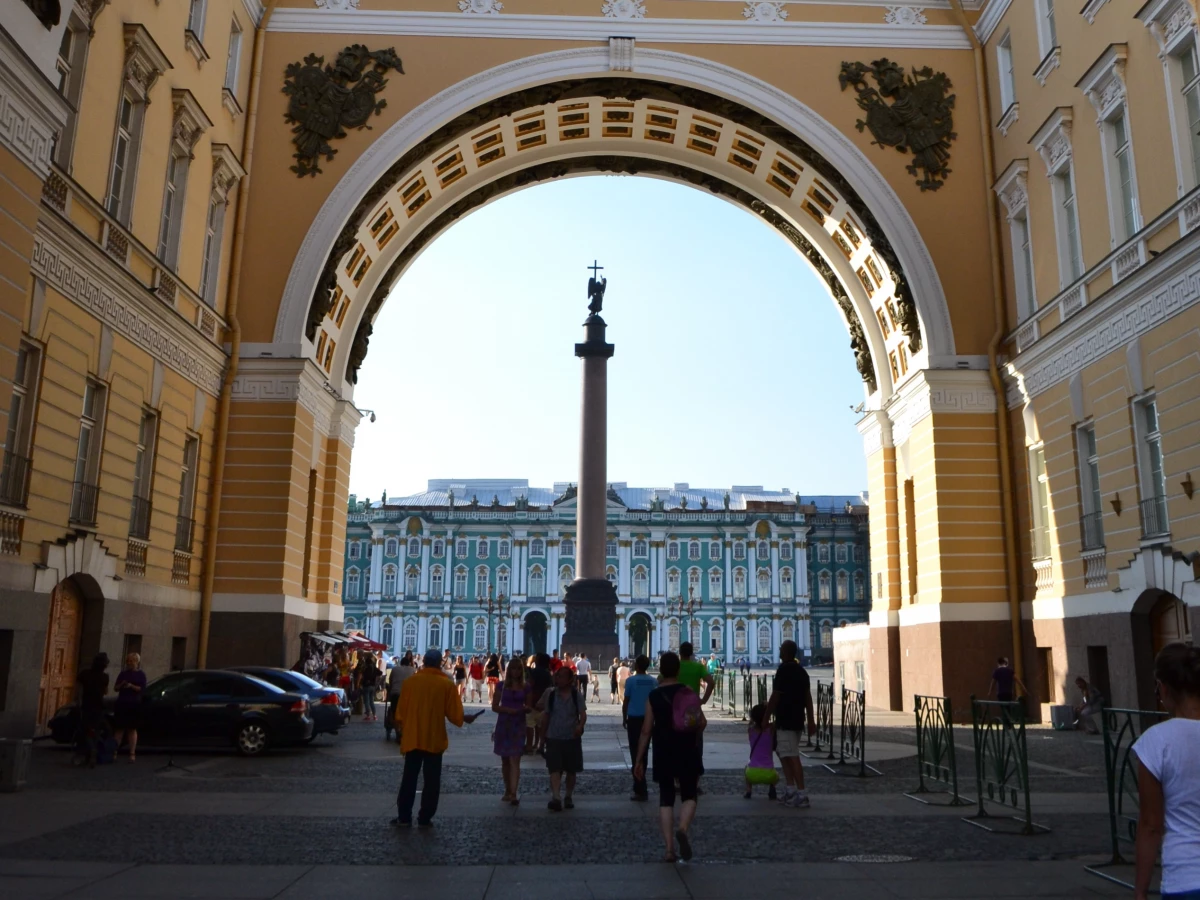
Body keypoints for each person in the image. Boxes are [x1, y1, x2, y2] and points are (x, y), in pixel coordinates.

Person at [1133, 642, 1200, 900]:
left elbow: (1151, 825)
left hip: (1185, 877)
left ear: (1163, 688)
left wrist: (1140, 891)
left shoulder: (1156, 742)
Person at [392, 649, 485, 827]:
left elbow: (400, 714)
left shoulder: (410, 683)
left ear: (424, 662)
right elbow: (454, 715)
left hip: (413, 737)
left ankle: (404, 816)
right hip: (434, 739)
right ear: (439, 664)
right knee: (432, 781)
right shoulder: (446, 685)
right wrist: (465, 718)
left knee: (409, 779)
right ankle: (425, 817)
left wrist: (401, 729)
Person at [633, 651, 705, 862]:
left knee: (666, 798)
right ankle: (682, 828)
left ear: (661, 670)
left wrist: (639, 759)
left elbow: (646, 730)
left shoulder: (654, 696)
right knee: (690, 794)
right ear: (678, 670)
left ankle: (669, 850)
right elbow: (702, 723)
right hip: (687, 748)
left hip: (663, 749)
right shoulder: (688, 692)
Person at [765, 639, 816, 808]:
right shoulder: (802, 672)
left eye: (781, 649)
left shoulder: (784, 670)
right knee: (784, 753)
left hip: (786, 719)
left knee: (792, 756)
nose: (779, 651)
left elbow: (775, 696)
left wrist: (765, 717)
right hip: (796, 719)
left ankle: (802, 794)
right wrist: (811, 720)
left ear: (785, 652)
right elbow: (808, 698)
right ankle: (790, 790)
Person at [538, 664, 587, 811]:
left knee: (571, 770)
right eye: (557, 676)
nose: (557, 679)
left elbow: (583, 714)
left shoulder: (575, 694)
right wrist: (542, 739)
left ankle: (568, 796)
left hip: (571, 737)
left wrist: (580, 726)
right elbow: (546, 716)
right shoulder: (551, 695)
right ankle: (556, 797)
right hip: (553, 736)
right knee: (554, 768)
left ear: (569, 679)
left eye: (561, 676)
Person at [492, 657, 530, 805]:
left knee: (515, 758)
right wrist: (509, 710)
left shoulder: (526, 687)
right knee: (505, 760)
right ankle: (508, 789)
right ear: (508, 671)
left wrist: (524, 709)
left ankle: (514, 792)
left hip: (518, 724)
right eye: (513, 669)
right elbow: (495, 706)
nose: (515, 672)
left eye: (518, 669)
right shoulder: (501, 686)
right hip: (504, 724)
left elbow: (529, 705)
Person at [622, 654, 656, 801]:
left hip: (634, 719)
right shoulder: (653, 681)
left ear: (636, 666)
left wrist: (624, 718)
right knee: (644, 752)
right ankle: (641, 785)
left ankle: (639, 787)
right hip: (649, 719)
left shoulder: (630, 681)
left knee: (634, 751)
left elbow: (626, 701)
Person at [74, 653, 110, 768]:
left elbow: (79, 690)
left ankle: (88, 752)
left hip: (86, 706)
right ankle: (92, 751)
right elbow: (105, 692)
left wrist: (78, 701)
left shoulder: (84, 674)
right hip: (98, 707)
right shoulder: (105, 677)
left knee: (85, 730)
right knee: (95, 731)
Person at [112, 652, 146, 762]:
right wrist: (122, 685)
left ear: (137, 662)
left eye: (131, 661)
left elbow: (142, 689)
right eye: (128, 661)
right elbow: (115, 688)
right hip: (122, 703)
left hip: (134, 703)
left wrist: (131, 686)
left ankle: (132, 753)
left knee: (132, 729)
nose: (129, 663)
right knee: (119, 729)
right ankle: (114, 751)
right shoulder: (123, 674)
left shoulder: (141, 675)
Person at [744, 703, 779, 800]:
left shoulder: (750, 730)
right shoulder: (771, 730)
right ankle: (772, 787)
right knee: (777, 775)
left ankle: (748, 790)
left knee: (746, 768)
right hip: (769, 774)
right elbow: (778, 719)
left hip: (752, 774)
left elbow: (751, 723)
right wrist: (770, 707)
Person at [526, 653, 554, 754]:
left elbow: (530, 684)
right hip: (544, 703)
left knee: (529, 725)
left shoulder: (534, 672)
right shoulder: (548, 673)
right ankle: (538, 744)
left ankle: (529, 745)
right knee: (540, 726)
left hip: (533, 701)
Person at [385, 652, 416, 742]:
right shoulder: (412, 670)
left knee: (394, 713)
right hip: (408, 695)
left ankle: (397, 731)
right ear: (409, 663)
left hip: (395, 694)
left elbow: (390, 681)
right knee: (407, 713)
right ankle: (404, 730)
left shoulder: (394, 669)